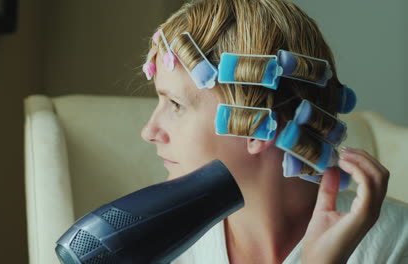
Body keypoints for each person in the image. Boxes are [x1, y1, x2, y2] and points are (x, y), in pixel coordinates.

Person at [140, 0, 408, 263]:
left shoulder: (396, 243)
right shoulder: (162, 247)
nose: (149, 131)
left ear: (255, 128)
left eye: (176, 104)